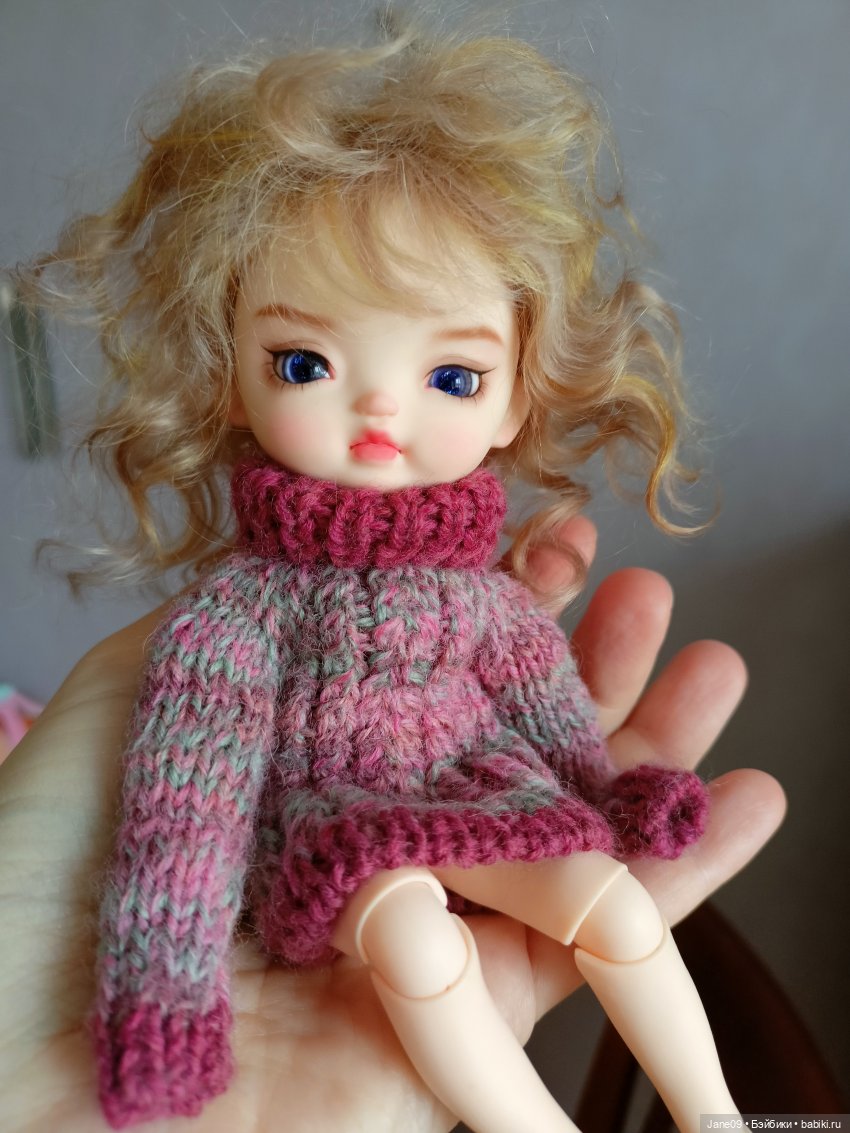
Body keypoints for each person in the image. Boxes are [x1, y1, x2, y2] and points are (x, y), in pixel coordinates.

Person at [3, 21, 786, 1132]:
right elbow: (187, 813)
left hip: (484, 782)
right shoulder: (238, 613)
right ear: (228, 376)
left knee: (611, 903)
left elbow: (544, 706)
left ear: (515, 401)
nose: (379, 407)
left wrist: (604, 791)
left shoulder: (484, 595)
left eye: (451, 374)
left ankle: (716, 1115)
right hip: (330, 825)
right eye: (305, 362)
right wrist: (163, 996)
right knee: (419, 941)